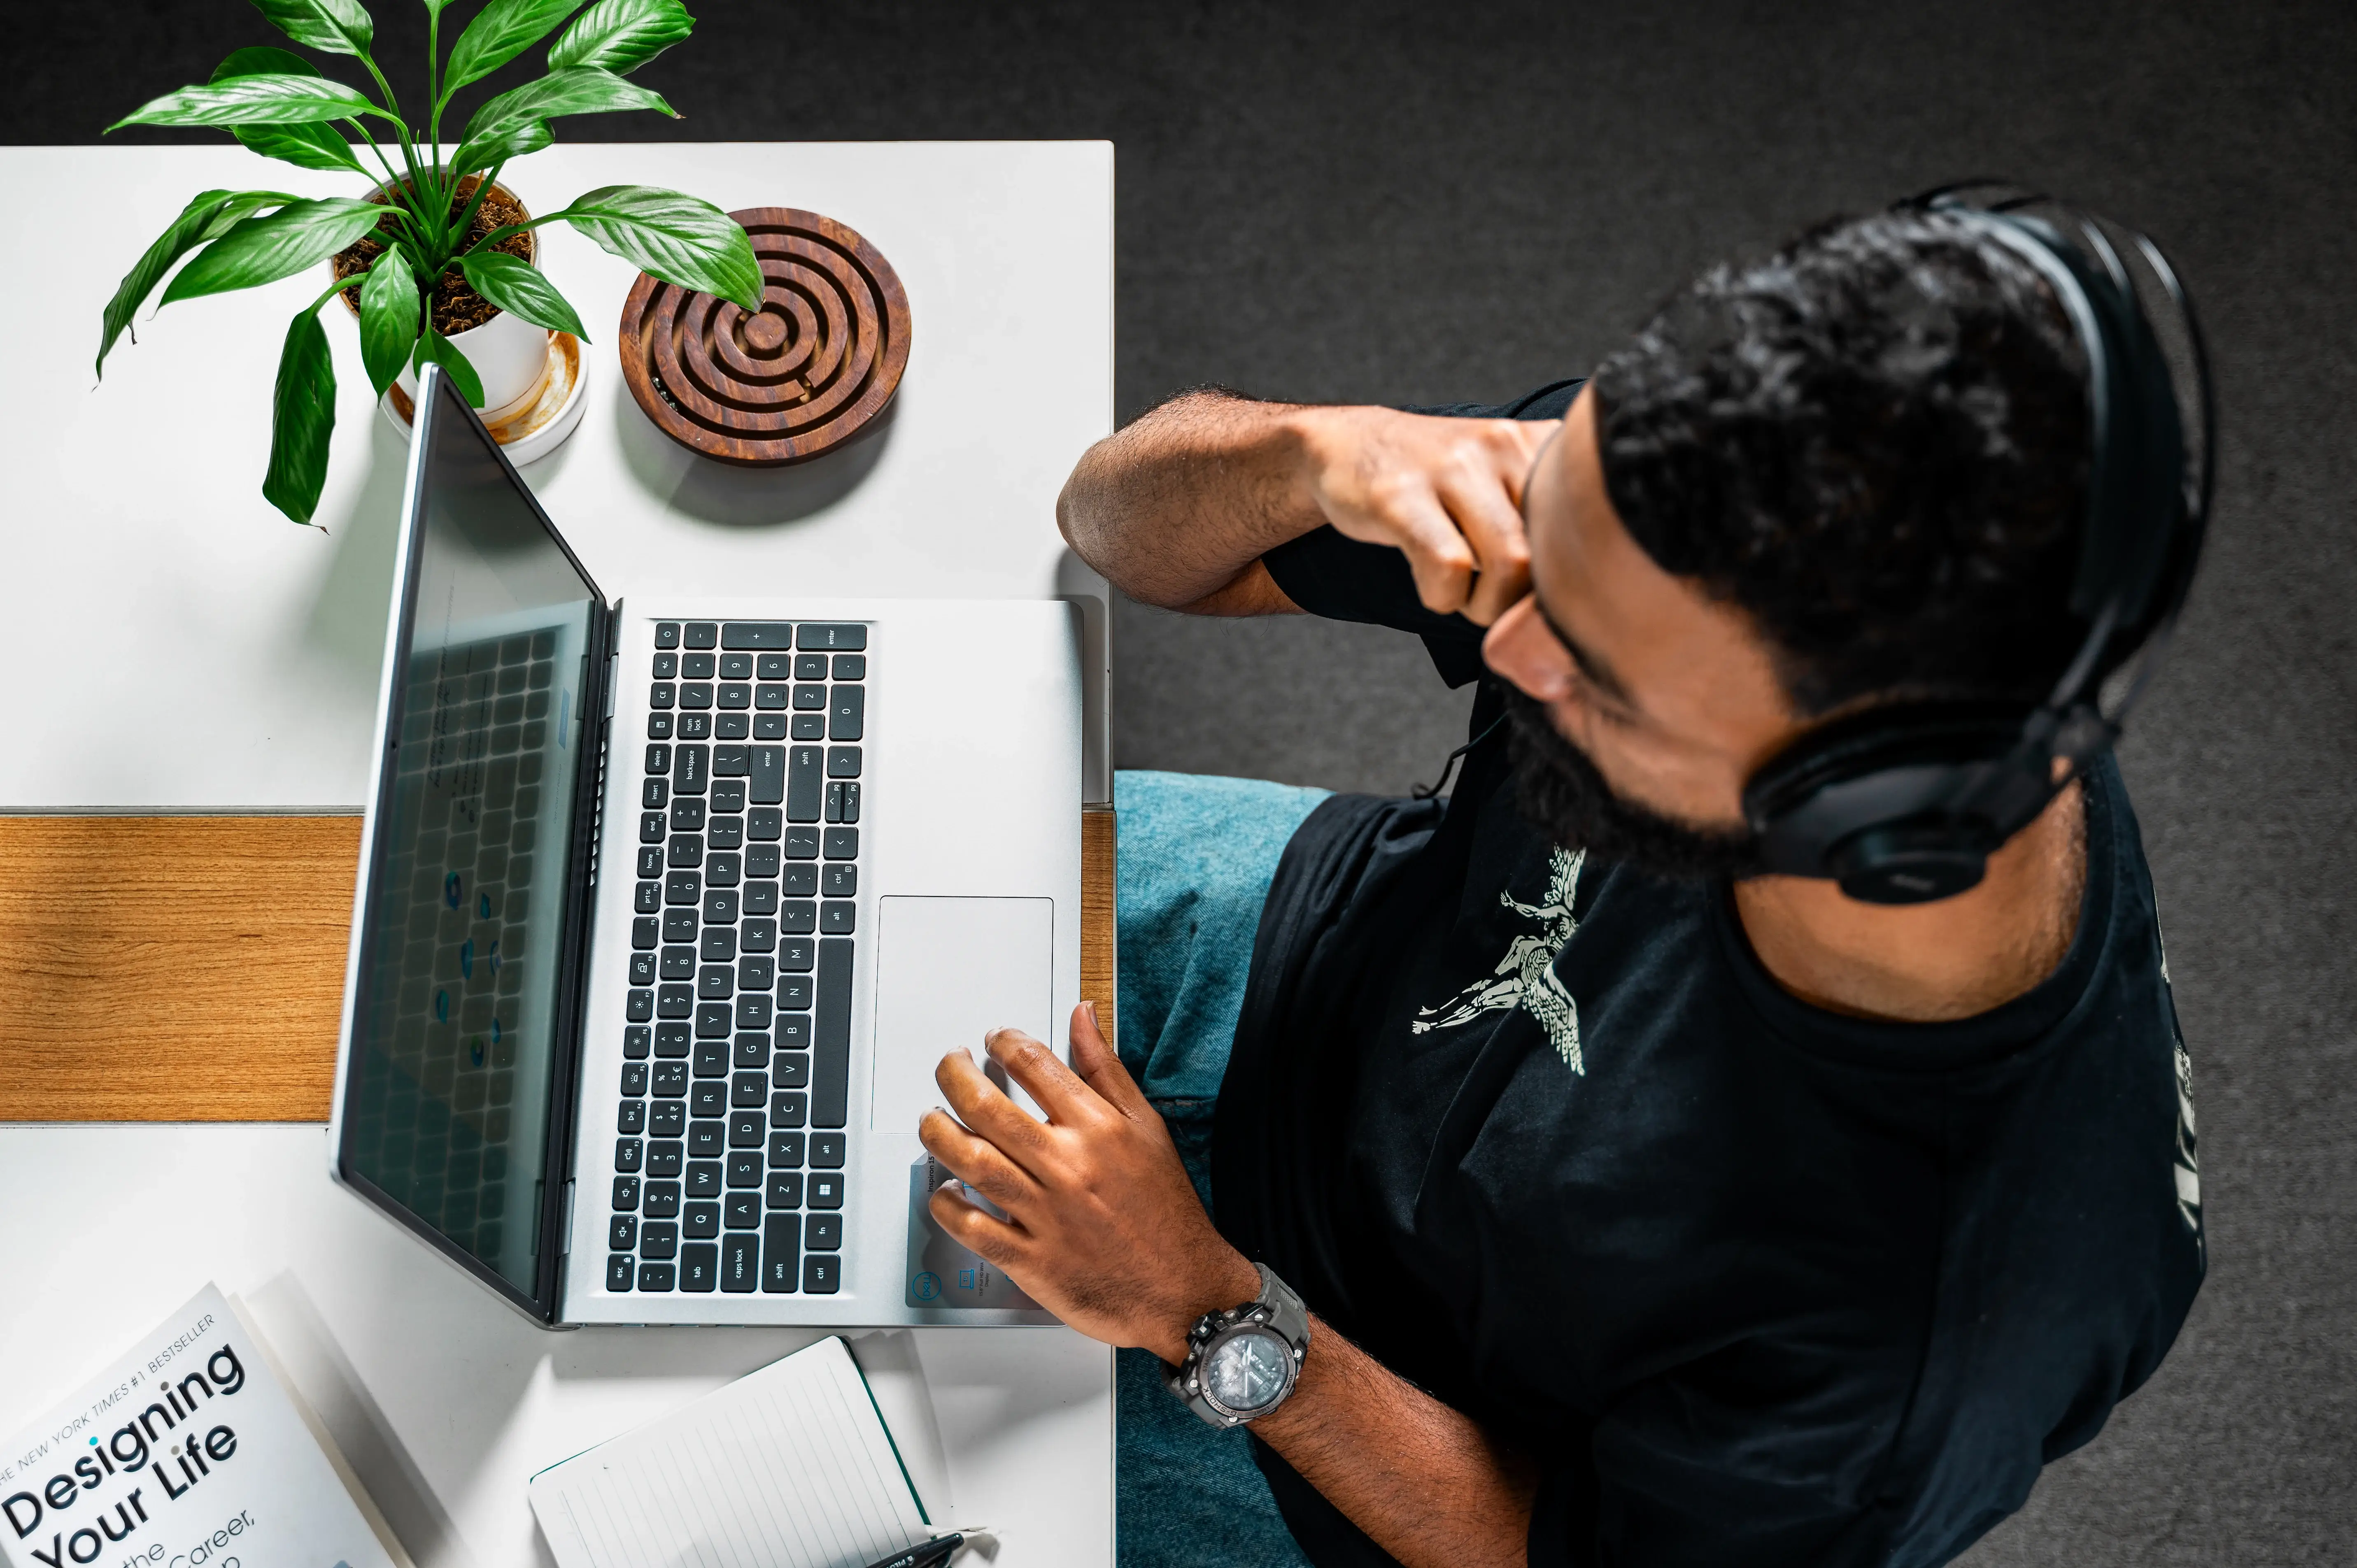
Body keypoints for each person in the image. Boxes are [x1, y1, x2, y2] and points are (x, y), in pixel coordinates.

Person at [915, 207, 2206, 1567]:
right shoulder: (1698, 503)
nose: (1509, 641)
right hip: (1315, 950)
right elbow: (1115, 525)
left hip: (1357, 1401)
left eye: (1599, 675)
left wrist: (1207, 1309)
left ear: (1867, 826)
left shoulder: (1921, 1351)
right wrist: (1323, 453)